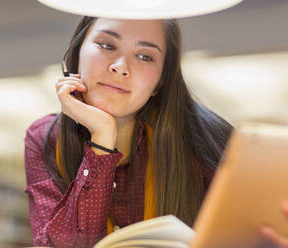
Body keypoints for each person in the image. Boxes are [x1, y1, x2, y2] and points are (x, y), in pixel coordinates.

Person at [24, 17, 288, 248]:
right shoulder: (46, 138)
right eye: (106, 45)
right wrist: (102, 139)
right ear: (76, 53)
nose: (120, 66)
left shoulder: (209, 139)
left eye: (145, 56)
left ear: (161, 80)